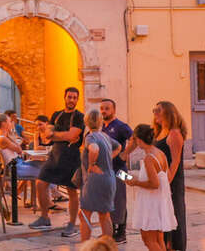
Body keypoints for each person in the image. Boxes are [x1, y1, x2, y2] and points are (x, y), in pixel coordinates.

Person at [30, 87, 86, 237]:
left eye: (75, 98)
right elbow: (47, 136)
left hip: (71, 157)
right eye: (69, 97)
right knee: (40, 183)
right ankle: (44, 217)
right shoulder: (56, 115)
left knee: (72, 191)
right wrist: (61, 136)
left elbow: (72, 135)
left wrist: (55, 135)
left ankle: (72, 224)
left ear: (77, 99)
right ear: (65, 97)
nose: (72, 100)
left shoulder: (80, 117)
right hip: (55, 155)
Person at [125, 123, 175, 251]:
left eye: (134, 139)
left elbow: (154, 183)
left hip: (151, 203)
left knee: (148, 239)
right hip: (158, 201)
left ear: (139, 140)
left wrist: (135, 182)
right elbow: (165, 176)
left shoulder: (149, 158)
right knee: (158, 238)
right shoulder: (160, 153)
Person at [78, 109, 118, 242]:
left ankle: (85, 246)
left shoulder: (91, 136)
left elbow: (94, 149)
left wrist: (92, 164)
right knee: (104, 215)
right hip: (109, 178)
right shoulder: (105, 136)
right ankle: (108, 246)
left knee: (84, 214)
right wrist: (109, 159)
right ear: (101, 121)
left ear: (86, 122)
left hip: (95, 180)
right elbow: (118, 147)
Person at [152, 101, 186, 251]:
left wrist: (166, 184)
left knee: (174, 215)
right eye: (154, 110)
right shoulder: (159, 132)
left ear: (168, 113)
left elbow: (175, 161)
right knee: (162, 217)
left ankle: (176, 247)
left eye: (158, 110)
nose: (155, 113)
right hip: (160, 180)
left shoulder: (174, 134)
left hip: (171, 182)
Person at [99, 99, 131, 242]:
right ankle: (110, 231)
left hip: (120, 170)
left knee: (120, 200)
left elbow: (135, 138)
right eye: (102, 108)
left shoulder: (121, 126)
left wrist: (125, 154)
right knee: (108, 201)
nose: (103, 111)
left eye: (107, 108)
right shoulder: (101, 127)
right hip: (106, 171)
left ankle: (121, 232)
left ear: (114, 110)